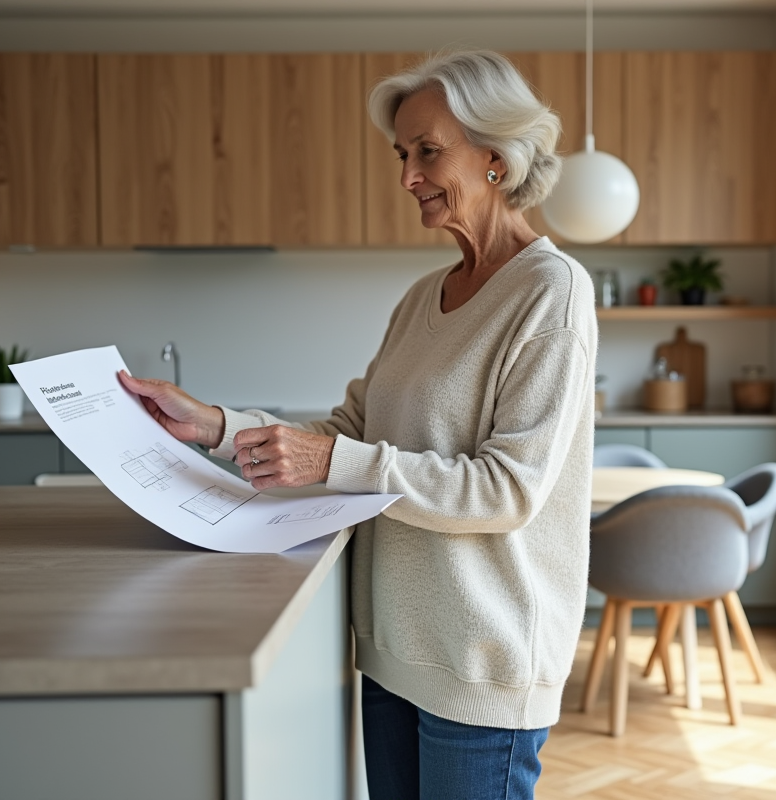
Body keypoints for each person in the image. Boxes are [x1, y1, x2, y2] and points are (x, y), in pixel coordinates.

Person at [118, 49, 597, 800]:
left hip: (480, 663)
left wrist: (331, 460)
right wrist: (214, 424)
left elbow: (508, 491)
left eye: (428, 152)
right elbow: (349, 428)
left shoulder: (551, 290)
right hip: (392, 652)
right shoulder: (422, 297)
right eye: (403, 154)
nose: (407, 175)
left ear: (497, 158)